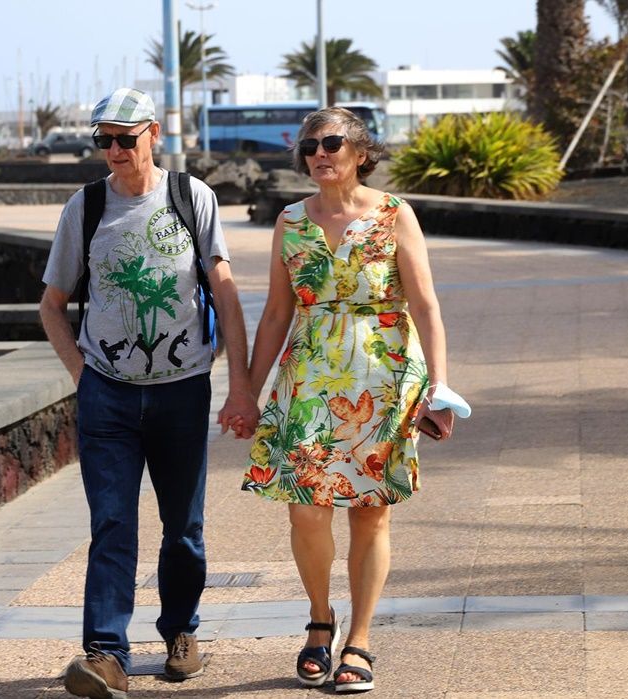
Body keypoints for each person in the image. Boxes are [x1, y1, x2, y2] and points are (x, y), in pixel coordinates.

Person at [39, 87, 259, 699]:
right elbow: (51, 306)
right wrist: (83, 378)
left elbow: (224, 292)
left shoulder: (192, 197)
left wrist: (239, 384)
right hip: (106, 395)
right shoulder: (84, 208)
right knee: (112, 524)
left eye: (124, 138)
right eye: (102, 139)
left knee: (183, 527)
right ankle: (106, 654)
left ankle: (181, 633)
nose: (113, 150)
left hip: (181, 389)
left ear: (153, 134)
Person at [241, 107, 456, 694]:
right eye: (310, 146)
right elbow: (279, 313)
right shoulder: (290, 220)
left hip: (383, 376)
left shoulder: (394, 214)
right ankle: (319, 618)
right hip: (308, 380)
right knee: (307, 507)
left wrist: (440, 388)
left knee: (370, 509)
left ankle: (358, 639)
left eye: (332, 143)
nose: (319, 154)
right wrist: (246, 390)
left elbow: (427, 305)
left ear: (361, 153)